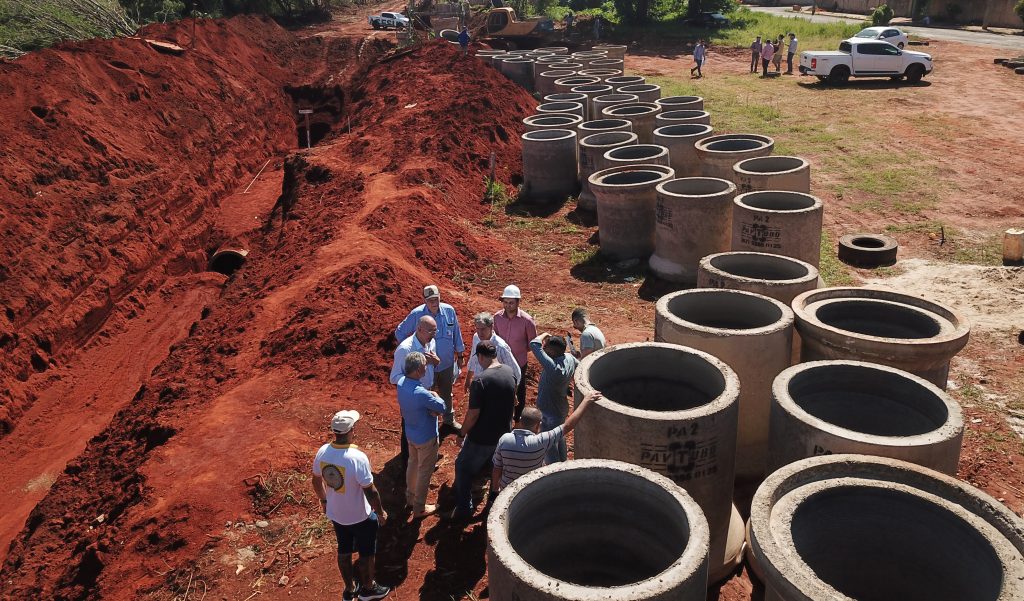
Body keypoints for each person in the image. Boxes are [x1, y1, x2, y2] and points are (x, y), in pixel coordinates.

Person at [312, 410, 391, 601]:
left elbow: (315, 480)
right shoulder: (357, 457)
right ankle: (368, 589)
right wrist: (380, 512)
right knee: (367, 553)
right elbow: (370, 491)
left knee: (344, 550)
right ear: (351, 430)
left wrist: (324, 500)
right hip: (360, 516)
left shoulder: (322, 452)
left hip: (337, 514)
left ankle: (349, 590)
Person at [450, 341, 516, 521]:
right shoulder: (509, 372)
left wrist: (462, 434)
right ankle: (492, 501)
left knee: (462, 467)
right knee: (494, 466)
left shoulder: (480, 380)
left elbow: (473, 414)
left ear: (480, 357)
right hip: (503, 434)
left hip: (482, 437)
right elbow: (514, 399)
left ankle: (464, 508)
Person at [491, 391, 602, 491]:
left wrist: (495, 488)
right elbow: (568, 426)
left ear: (520, 420)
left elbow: (497, 468)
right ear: (538, 425)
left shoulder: (505, 439)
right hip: (530, 487)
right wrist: (586, 400)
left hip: (507, 489)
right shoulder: (541, 441)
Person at [395, 285, 465, 430]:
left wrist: (460, 354)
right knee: (426, 395)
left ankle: (448, 420)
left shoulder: (449, 311)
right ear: (425, 301)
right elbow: (400, 332)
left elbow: (456, 332)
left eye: (436, 299)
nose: (434, 302)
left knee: (447, 393)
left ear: (440, 297)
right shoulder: (417, 314)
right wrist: (413, 353)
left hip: (446, 363)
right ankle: (427, 424)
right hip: (425, 369)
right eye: (430, 300)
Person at [397, 352, 446, 519]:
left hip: (410, 433)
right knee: (425, 472)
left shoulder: (401, 383)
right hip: (426, 437)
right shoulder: (421, 393)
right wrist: (435, 395)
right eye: (425, 365)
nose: (426, 368)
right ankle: (419, 508)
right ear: (418, 370)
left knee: (413, 464)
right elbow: (442, 407)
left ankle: (410, 497)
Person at [390, 315, 439, 464]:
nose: (433, 334)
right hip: (413, 396)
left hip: (428, 391)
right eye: (430, 331)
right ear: (419, 329)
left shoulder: (431, 342)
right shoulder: (405, 349)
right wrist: (412, 386)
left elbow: (432, 366)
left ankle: (425, 460)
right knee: (410, 429)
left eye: (435, 331)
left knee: (428, 425)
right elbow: (394, 377)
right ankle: (407, 464)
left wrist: (436, 362)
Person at [529, 332, 578, 464]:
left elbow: (534, 344)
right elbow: (579, 367)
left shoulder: (553, 367)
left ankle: (555, 470)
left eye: (546, 347)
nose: (543, 348)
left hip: (549, 413)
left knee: (549, 446)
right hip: (560, 410)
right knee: (559, 438)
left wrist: (544, 334)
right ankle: (564, 464)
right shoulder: (569, 358)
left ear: (553, 352)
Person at [493, 284, 537, 422]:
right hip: (501, 362)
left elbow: (532, 344)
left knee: (519, 390)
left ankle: (517, 418)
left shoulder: (527, 321)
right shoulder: (497, 318)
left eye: (511, 303)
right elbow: (496, 337)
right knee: (501, 388)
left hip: (519, 362)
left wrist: (519, 351)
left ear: (518, 302)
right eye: (505, 302)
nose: (508, 306)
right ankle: (502, 416)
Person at [464, 312, 520, 393]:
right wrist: (468, 379)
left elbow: (516, 373)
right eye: (477, 329)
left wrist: (513, 393)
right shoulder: (476, 337)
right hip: (479, 386)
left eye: (483, 329)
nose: (480, 332)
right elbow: (474, 359)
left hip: (495, 390)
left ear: (491, 327)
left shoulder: (501, 346)